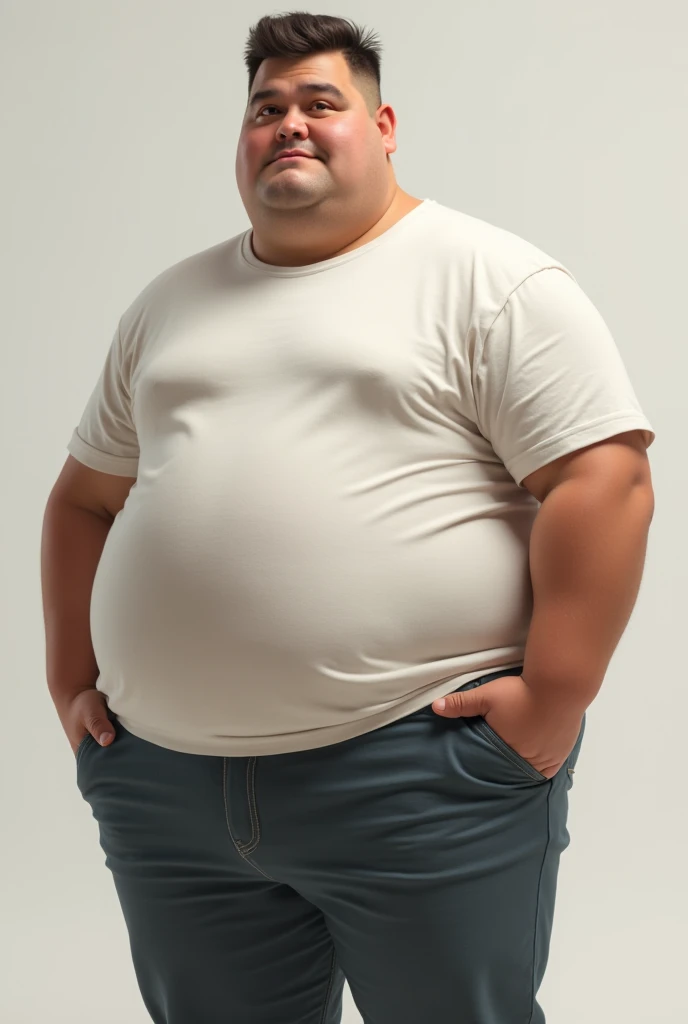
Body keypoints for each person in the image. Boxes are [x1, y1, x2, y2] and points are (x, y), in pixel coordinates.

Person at [40, 12, 656, 1024]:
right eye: (265, 108)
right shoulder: (168, 304)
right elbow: (83, 497)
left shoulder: (488, 279)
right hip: (166, 789)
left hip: (412, 770)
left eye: (321, 102)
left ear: (383, 124)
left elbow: (603, 481)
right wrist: (71, 680)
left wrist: (553, 693)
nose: (290, 123)